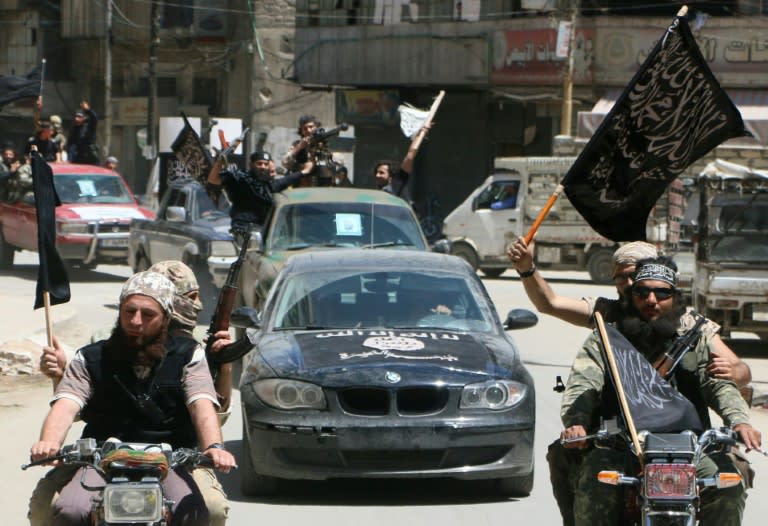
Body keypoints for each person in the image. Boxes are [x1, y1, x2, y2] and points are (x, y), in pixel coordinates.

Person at [507, 238, 752, 525]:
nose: (651, 300)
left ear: (675, 295)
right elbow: (584, 380)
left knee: (730, 484)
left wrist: (740, 419)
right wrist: (577, 420)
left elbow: (722, 381)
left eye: (661, 293)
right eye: (639, 290)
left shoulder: (695, 333)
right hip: (621, 441)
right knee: (593, 480)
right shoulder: (606, 329)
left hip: (688, 444)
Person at [28, 271, 236, 526]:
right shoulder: (91, 358)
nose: (136, 321)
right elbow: (66, 404)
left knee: (206, 511)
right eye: (129, 311)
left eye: (148, 315)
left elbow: (201, 403)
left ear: (165, 318)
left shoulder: (188, 356)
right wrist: (48, 443)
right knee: (65, 509)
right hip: (100, 459)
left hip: (172, 460)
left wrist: (214, 447)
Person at [207, 150, 302, 243]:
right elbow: (213, 179)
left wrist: (303, 172)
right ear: (251, 164)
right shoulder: (240, 179)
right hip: (243, 230)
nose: (263, 167)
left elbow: (285, 181)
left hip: (264, 233)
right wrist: (219, 162)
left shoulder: (269, 185)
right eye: (259, 163)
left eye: (266, 164)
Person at [66, 101, 99, 165]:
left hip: (89, 156)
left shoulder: (89, 126)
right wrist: (69, 159)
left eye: (79, 117)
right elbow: (71, 144)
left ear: (84, 118)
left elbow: (94, 118)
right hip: (78, 157)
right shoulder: (74, 128)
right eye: (76, 117)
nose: (76, 119)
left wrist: (88, 110)